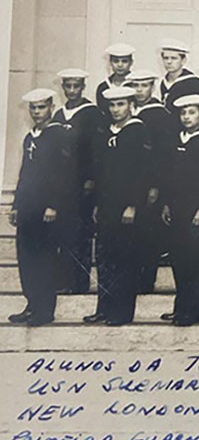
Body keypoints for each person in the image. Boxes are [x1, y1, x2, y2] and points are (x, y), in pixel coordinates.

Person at [83, 86, 150, 326]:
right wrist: (98, 204)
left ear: (131, 105)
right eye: (112, 105)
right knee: (105, 259)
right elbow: (101, 172)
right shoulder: (106, 132)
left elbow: (142, 173)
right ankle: (104, 308)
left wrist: (132, 205)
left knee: (124, 259)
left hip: (126, 207)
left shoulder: (137, 131)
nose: (116, 109)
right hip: (107, 204)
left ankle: (121, 312)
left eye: (121, 104)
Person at [8, 89, 72, 326]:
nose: (37, 112)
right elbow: (25, 173)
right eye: (33, 108)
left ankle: (44, 310)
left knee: (44, 259)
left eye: (42, 107)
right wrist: (16, 205)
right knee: (27, 258)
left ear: (51, 108)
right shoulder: (29, 137)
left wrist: (53, 205)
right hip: (28, 208)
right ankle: (31, 304)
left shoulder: (58, 135)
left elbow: (63, 175)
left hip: (46, 210)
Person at [160, 95, 199, 326]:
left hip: (198, 210)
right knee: (180, 260)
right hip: (177, 208)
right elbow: (170, 175)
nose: (186, 117)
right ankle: (181, 307)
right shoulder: (178, 139)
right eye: (183, 112)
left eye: (192, 112)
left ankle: (191, 312)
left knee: (196, 262)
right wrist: (167, 202)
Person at [53, 68, 103, 294]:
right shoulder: (58, 115)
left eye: (76, 86)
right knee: (63, 231)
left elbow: (96, 149)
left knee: (80, 233)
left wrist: (91, 178)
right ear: (63, 87)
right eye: (68, 86)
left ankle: (79, 282)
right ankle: (63, 279)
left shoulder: (91, 113)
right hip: (62, 184)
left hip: (82, 184)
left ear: (83, 87)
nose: (72, 91)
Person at [126, 69, 175, 293]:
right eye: (135, 86)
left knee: (148, 232)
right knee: (132, 234)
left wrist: (156, 185)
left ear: (152, 87)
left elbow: (164, 154)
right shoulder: (126, 111)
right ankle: (132, 276)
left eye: (144, 85)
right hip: (130, 182)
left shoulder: (159, 114)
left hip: (150, 183)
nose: (139, 91)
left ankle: (146, 280)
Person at [158, 39, 199, 114]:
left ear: (183, 60)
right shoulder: (162, 83)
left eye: (174, 58)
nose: (169, 62)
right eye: (166, 58)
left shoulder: (194, 83)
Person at [96, 43, 135, 113]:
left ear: (131, 62)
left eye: (124, 61)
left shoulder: (136, 85)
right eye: (116, 61)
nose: (120, 65)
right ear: (110, 63)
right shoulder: (103, 87)